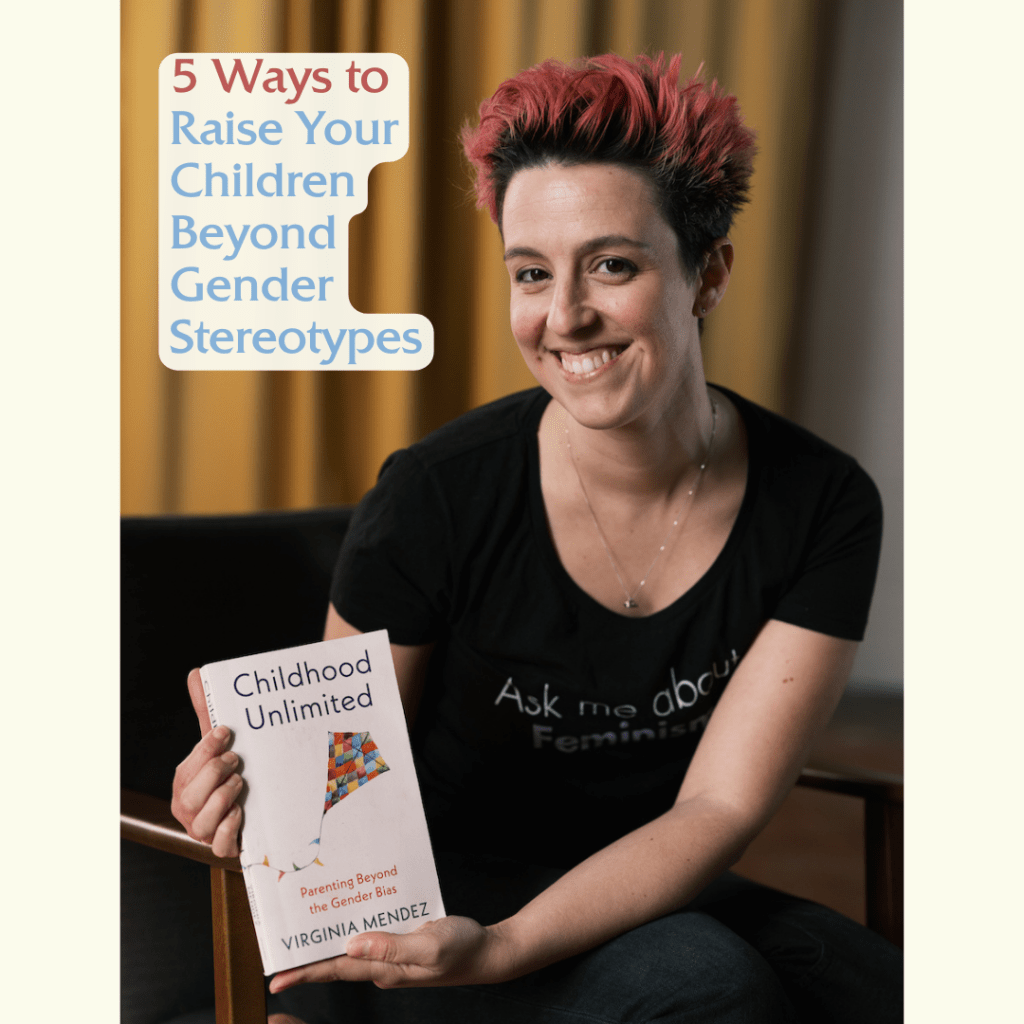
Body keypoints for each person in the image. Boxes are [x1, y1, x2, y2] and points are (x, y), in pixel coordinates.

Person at [172, 53, 901, 1023]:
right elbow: (328, 794)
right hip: (435, 911)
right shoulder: (435, 495)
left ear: (706, 273)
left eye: (612, 264)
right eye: (530, 272)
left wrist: (516, 944)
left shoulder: (821, 504)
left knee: (881, 985)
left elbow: (717, 809)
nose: (564, 317)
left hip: (640, 874)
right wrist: (244, 794)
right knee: (709, 986)